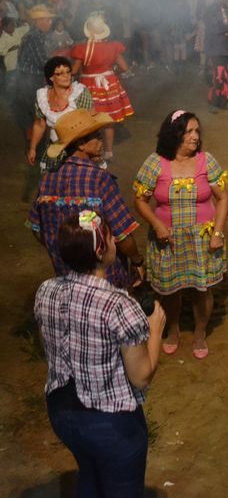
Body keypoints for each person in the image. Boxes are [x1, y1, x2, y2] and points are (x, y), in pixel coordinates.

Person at [35, 211, 165, 497]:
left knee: (90, 476)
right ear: (100, 249)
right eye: (110, 236)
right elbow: (141, 377)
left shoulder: (45, 291)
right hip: (111, 425)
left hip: (62, 414)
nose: (115, 241)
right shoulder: (119, 305)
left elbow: (53, 346)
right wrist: (155, 329)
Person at [133, 110, 228, 359]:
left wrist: (217, 232)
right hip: (168, 238)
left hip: (201, 239)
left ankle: (199, 332)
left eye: (197, 131)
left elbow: (223, 198)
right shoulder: (156, 163)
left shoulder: (206, 161)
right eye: (189, 132)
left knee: (202, 289)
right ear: (175, 134)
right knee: (169, 290)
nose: (195, 137)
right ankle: (173, 330)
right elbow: (141, 200)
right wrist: (156, 224)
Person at [27, 109, 144, 289]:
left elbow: (36, 227)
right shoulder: (99, 179)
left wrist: (59, 250)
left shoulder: (47, 178)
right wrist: (137, 260)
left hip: (65, 274)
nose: (101, 141)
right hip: (104, 277)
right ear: (81, 144)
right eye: (96, 137)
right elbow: (122, 234)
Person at [69, 15, 133, 160]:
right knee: (108, 119)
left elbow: (73, 71)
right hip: (109, 84)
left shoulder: (83, 49)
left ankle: (91, 151)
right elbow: (124, 67)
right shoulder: (112, 47)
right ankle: (109, 152)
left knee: (91, 119)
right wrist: (111, 73)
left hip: (89, 85)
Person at [26, 56, 92, 172]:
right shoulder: (43, 97)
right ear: (51, 77)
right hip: (55, 148)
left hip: (79, 149)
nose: (66, 76)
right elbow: (39, 125)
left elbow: (92, 122)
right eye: (60, 73)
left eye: (68, 72)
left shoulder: (80, 93)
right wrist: (33, 148)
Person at [14, 4, 54, 138]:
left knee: (35, 113)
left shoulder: (35, 35)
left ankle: (35, 146)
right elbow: (42, 62)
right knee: (36, 113)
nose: (51, 22)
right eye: (48, 19)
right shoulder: (34, 37)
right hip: (30, 80)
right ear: (39, 21)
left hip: (28, 79)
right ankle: (35, 148)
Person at [204, 0, 228, 113]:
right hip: (216, 49)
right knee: (217, 77)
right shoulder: (210, 10)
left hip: (227, 48)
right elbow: (215, 29)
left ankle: (223, 102)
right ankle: (214, 103)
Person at [0, 16, 28, 95]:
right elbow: (1, 51)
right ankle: (8, 103)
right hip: (11, 66)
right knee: (10, 86)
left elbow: (27, 28)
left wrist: (22, 22)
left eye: (14, 25)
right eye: (11, 25)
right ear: (5, 27)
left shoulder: (16, 31)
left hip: (21, 63)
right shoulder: (3, 38)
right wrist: (10, 49)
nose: (13, 27)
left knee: (19, 85)